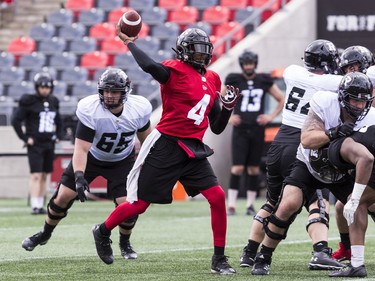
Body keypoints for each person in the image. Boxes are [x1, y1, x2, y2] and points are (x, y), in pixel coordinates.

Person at [91, 27, 241, 275]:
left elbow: (216, 126)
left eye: (204, 51)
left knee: (216, 196)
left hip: (193, 148)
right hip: (166, 145)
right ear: (183, 51)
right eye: (196, 51)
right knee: (139, 205)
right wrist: (130, 43)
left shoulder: (213, 79)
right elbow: (149, 66)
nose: (201, 56)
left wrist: (227, 108)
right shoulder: (174, 70)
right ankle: (103, 230)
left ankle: (219, 259)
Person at [250, 71, 375, 276]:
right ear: (342, 97)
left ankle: (355, 259)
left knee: (361, 203)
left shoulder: (370, 118)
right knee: (288, 204)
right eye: (354, 100)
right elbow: (306, 139)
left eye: (364, 101)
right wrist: (332, 133)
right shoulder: (325, 102)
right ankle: (263, 256)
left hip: (340, 169)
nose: (359, 106)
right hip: (310, 162)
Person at [21, 68, 153, 261]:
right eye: (106, 90)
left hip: (122, 160)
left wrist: (146, 166)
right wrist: (80, 176)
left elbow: (147, 140)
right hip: (92, 157)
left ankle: (125, 242)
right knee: (63, 196)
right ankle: (44, 234)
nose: (109, 95)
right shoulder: (91, 109)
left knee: (127, 206)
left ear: (125, 91)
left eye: (114, 91)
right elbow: (81, 149)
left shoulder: (138, 109)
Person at [239, 39, 343, 270]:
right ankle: (320, 251)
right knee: (318, 201)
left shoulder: (292, 72)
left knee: (273, 202)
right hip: (304, 145)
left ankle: (249, 252)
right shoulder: (333, 83)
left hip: (279, 142)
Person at [224, 50, 284, 216]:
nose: (248, 66)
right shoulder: (233, 79)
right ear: (242, 64)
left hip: (257, 129)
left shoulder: (263, 80)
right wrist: (228, 118)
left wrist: (271, 116)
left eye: (251, 63)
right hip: (240, 129)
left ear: (255, 64)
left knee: (253, 169)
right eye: (246, 63)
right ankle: (231, 205)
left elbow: (281, 99)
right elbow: (218, 99)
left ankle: (250, 205)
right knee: (236, 168)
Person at [330, 45, 375, 262]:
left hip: (369, 144)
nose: (351, 71)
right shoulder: (343, 88)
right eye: (347, 68)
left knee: (356, 201)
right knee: (342, 205)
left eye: (355, 66)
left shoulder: (371, 78)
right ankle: (348, 249)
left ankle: (357, 261)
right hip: (363, 146)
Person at [12, 72, 63, 215]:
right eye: (42, 87)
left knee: (45, 175)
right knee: (36, 174)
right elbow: (15, 120)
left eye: (47, 87)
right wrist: (25, 138)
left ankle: (40, 204)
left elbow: (59, 121)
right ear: (37, 87)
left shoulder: (53, 101)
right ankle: (35, 205)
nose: (45, 90)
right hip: (35, 144)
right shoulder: (29, 101)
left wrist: (58, 135)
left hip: (49, 143)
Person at [328, 125, 375, 277]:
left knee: (354, 202)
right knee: (344, 204)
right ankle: (349, 252)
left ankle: (356, 264)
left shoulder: (344, 146)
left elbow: (367, 158)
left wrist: (355, 199)